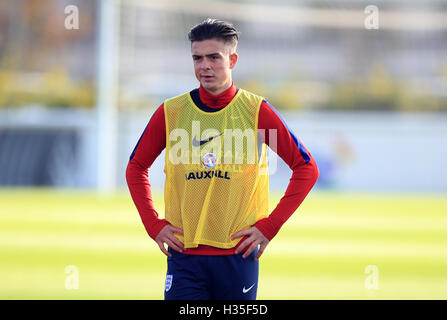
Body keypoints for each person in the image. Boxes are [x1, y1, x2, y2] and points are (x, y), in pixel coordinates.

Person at [126, 18, 319, 300]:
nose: (204, 66)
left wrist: (269, 226)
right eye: (197, 58)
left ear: (233, 60)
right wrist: (153, 224)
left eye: (214, 57)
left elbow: (306, 168)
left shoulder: (257, 112)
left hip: (238, 256)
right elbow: (136, 167)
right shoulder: (172, 111)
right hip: (184, 256)